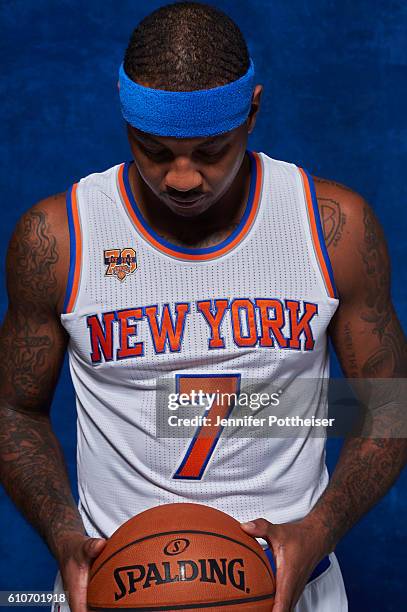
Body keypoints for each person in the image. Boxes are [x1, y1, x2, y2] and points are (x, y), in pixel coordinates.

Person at [0, 2, 406, 611]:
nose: (182, 178)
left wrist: (316, 530)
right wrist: (63, 535)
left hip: (291, 589)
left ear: (254, 111)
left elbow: (386, 409)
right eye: (155, 150)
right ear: (124, 116)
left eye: (211, 150)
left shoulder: (330, 229)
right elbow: (15, 409)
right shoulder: (60, 237)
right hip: (115, 585)